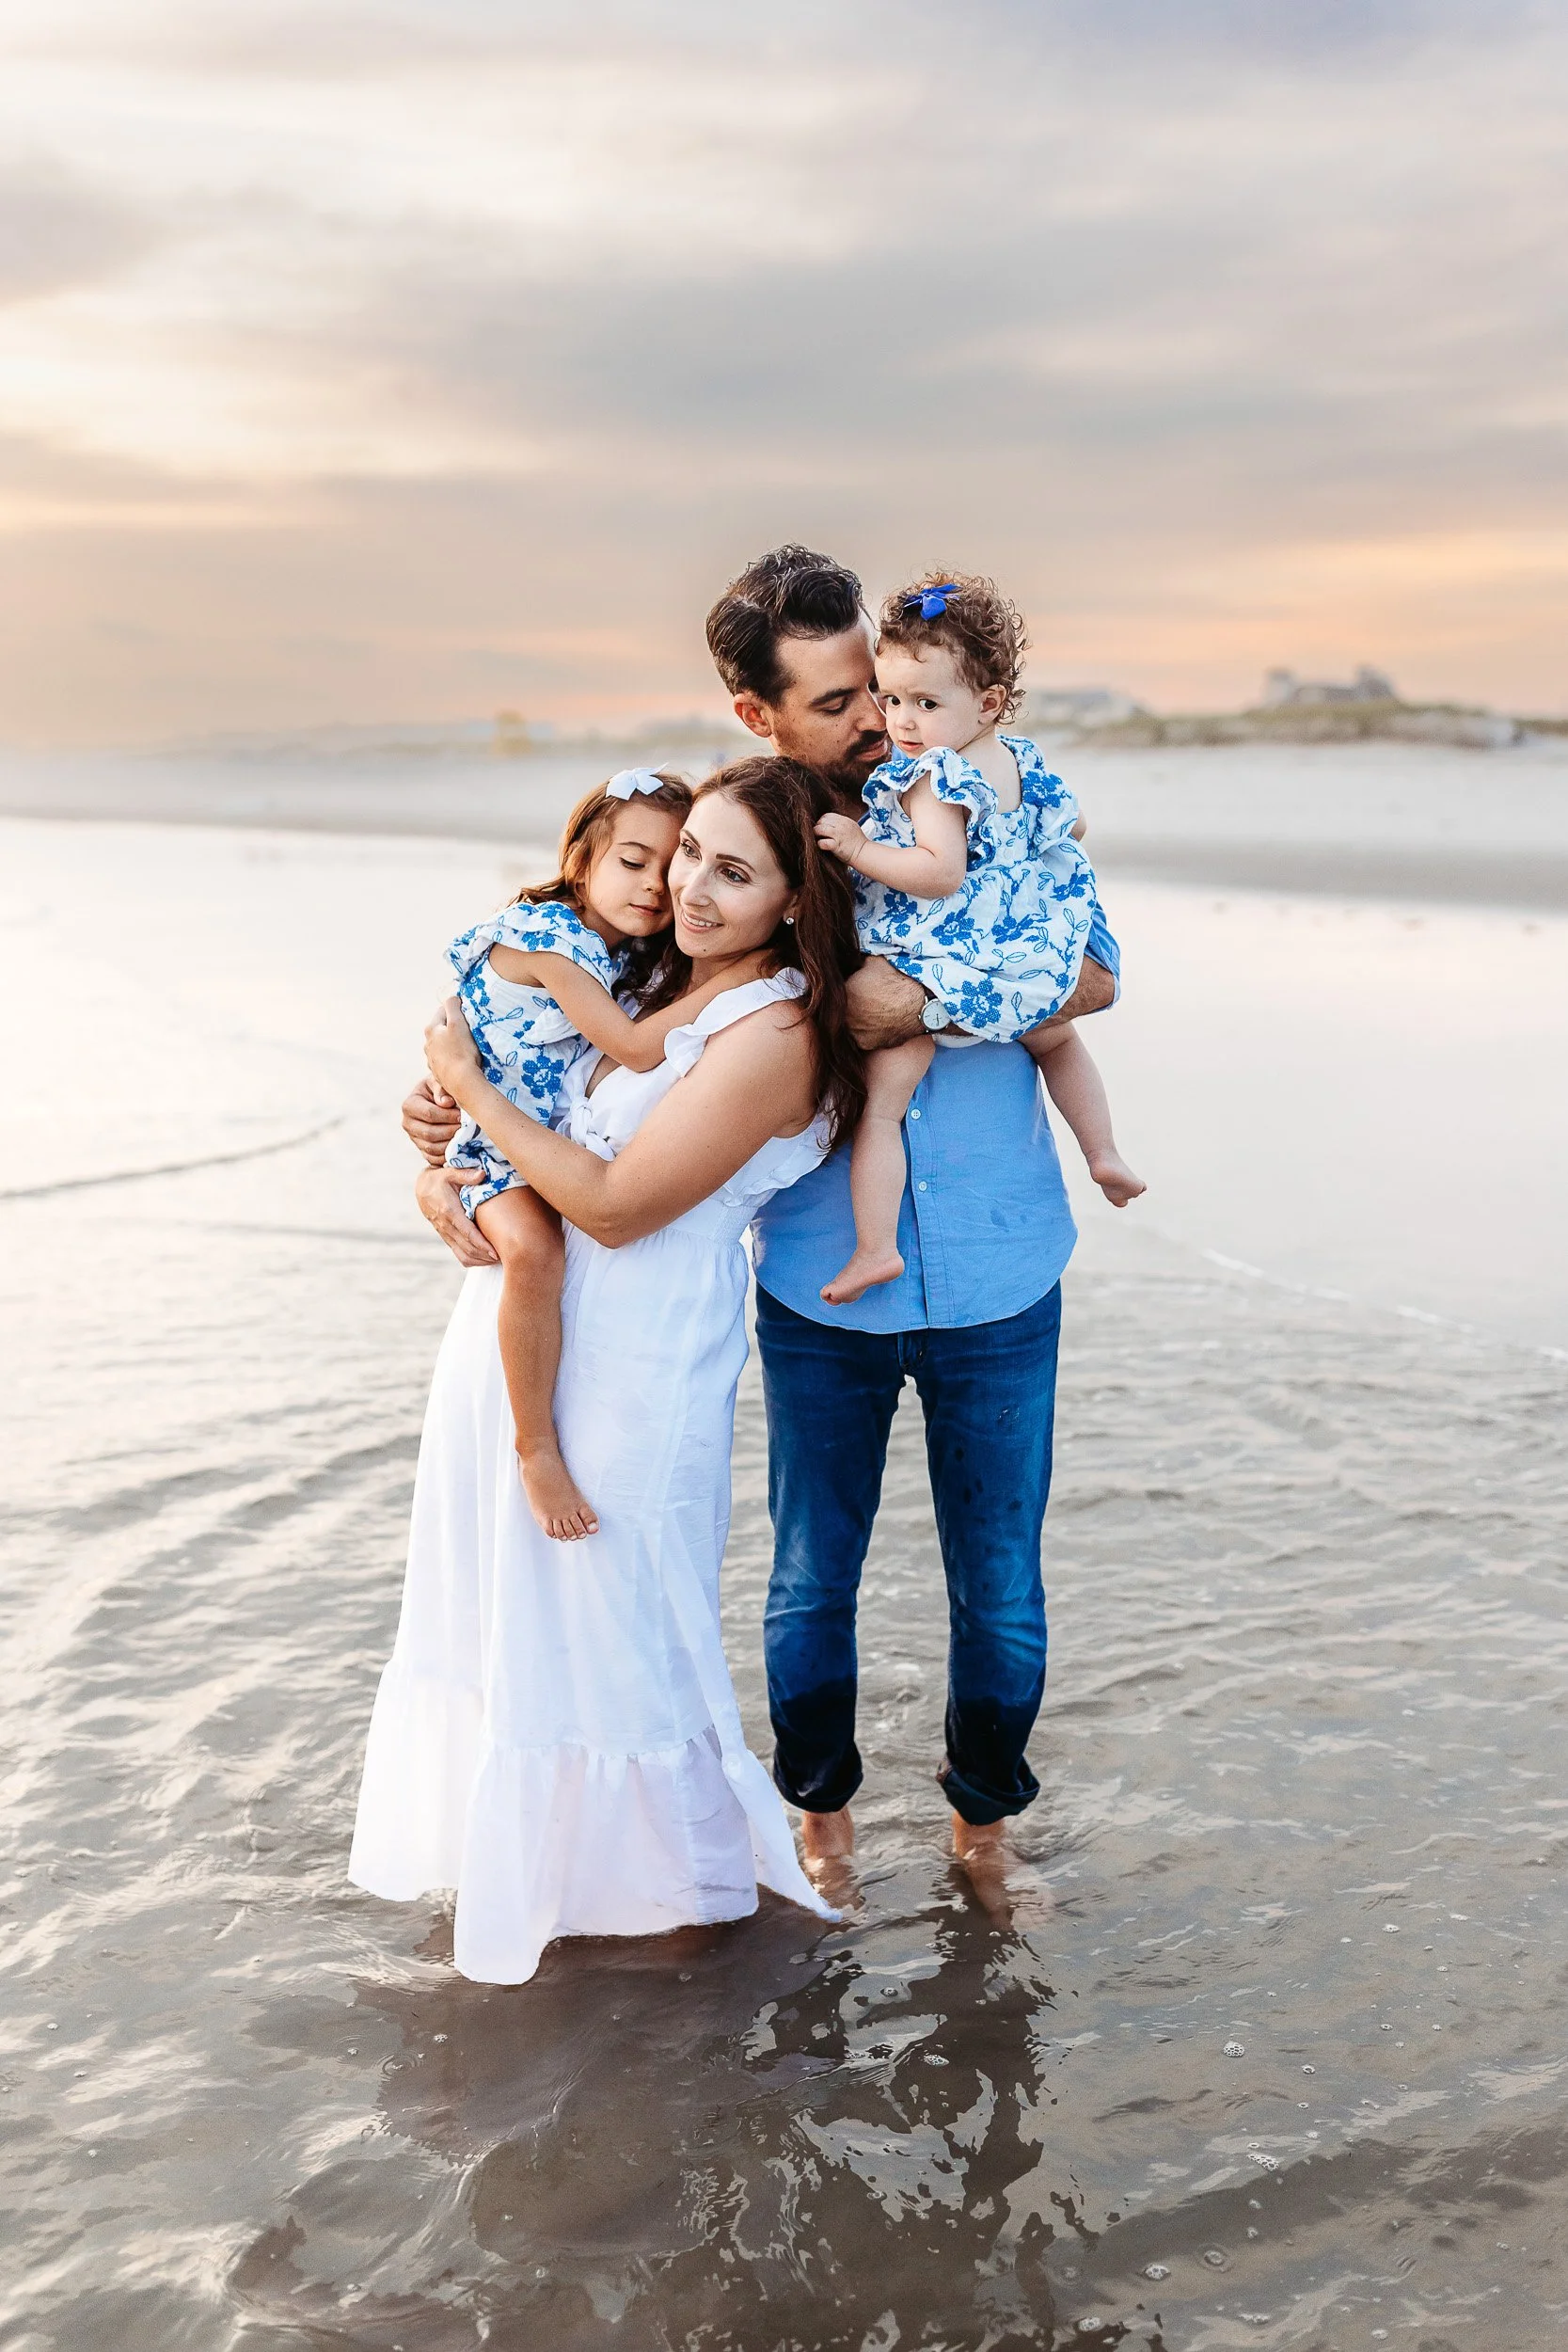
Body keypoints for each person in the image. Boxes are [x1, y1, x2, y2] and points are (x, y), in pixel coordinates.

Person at [404, 546, 1122, 1893]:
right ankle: (816, 1832)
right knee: (804, 1584)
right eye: (841, 700)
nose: (873, 719)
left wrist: (919, 1006)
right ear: (758, 714)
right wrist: (440, 1131)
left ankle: (982, 1834)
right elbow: (567, 1014)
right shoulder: (727, 847)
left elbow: (1091, 969)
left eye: (879, 689)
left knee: (1003, 1591)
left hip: (1000, 1260)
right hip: (810, 1277)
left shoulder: (967, 790)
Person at [353, 759, 864, 1985]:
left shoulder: (772, 1030)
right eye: (687, 850)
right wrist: (438, 1154)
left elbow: (616, 1204)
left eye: (731, 872)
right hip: (516, 1344)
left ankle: (663, 1917)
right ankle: (554, 1889)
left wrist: (470, 1086)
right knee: (519, 1620)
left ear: (796, 902)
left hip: (635, 1358)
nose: (687, 885)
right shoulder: (648, 982)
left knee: (621, 1623)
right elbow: (530, 1133)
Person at [440, 768, 732, 1541]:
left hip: (541, 1143)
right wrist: (745, 977)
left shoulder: (619, 950)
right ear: (582, 862)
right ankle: (535, 1447)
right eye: (631, 862)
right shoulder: (549, 940)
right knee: (533, 1254)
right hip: (496, 1148)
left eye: (668, 869)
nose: (654, 888)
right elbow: (636, 1049)